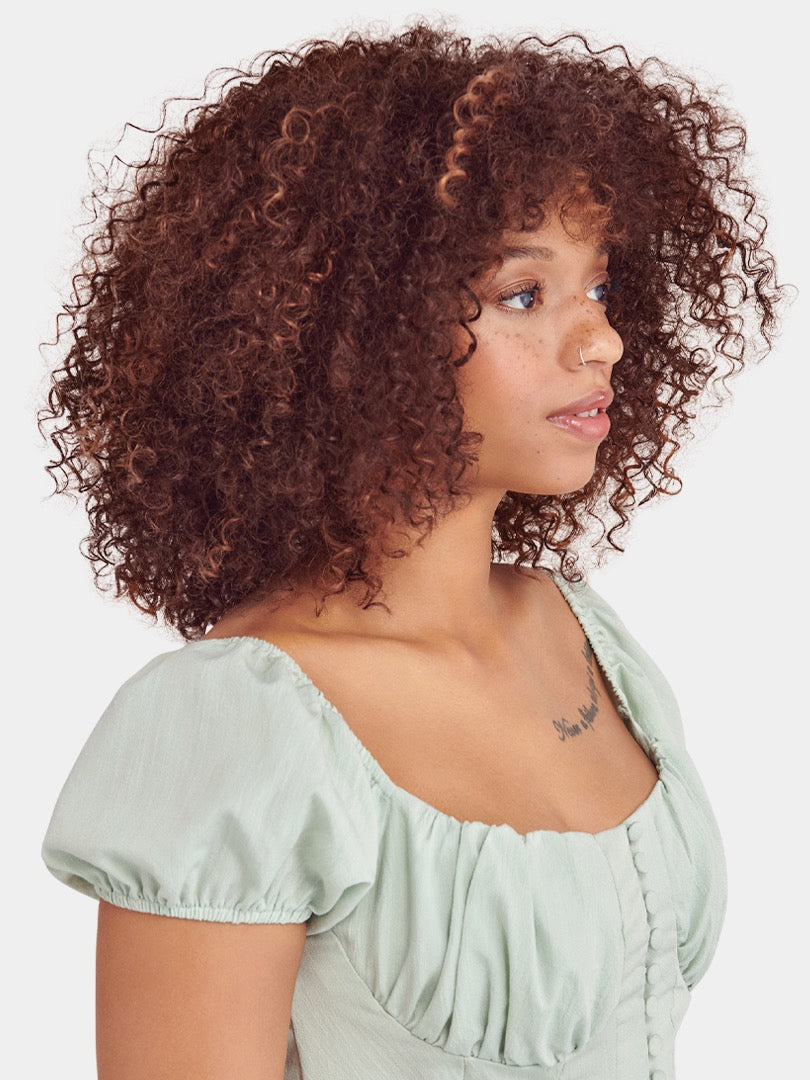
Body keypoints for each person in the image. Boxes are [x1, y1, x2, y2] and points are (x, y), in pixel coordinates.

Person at [40, 23, 781, 1080]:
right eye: (523, 295)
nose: (603, 341)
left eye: (602, 288)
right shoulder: (238, 722)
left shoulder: (584, 639)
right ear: (352, 333)